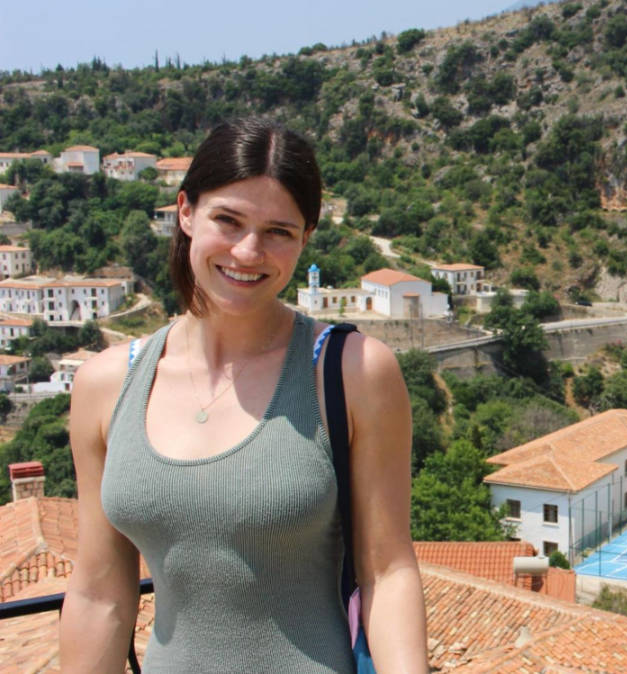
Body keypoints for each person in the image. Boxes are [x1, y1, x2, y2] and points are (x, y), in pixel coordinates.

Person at [60, 118, 428, 673]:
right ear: (185, 212)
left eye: (279, 231)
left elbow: (388, 572)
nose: (248, 252)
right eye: (227, 220)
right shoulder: (104, 386)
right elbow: (98, 592)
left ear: (305, 239)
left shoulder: (352, 373)